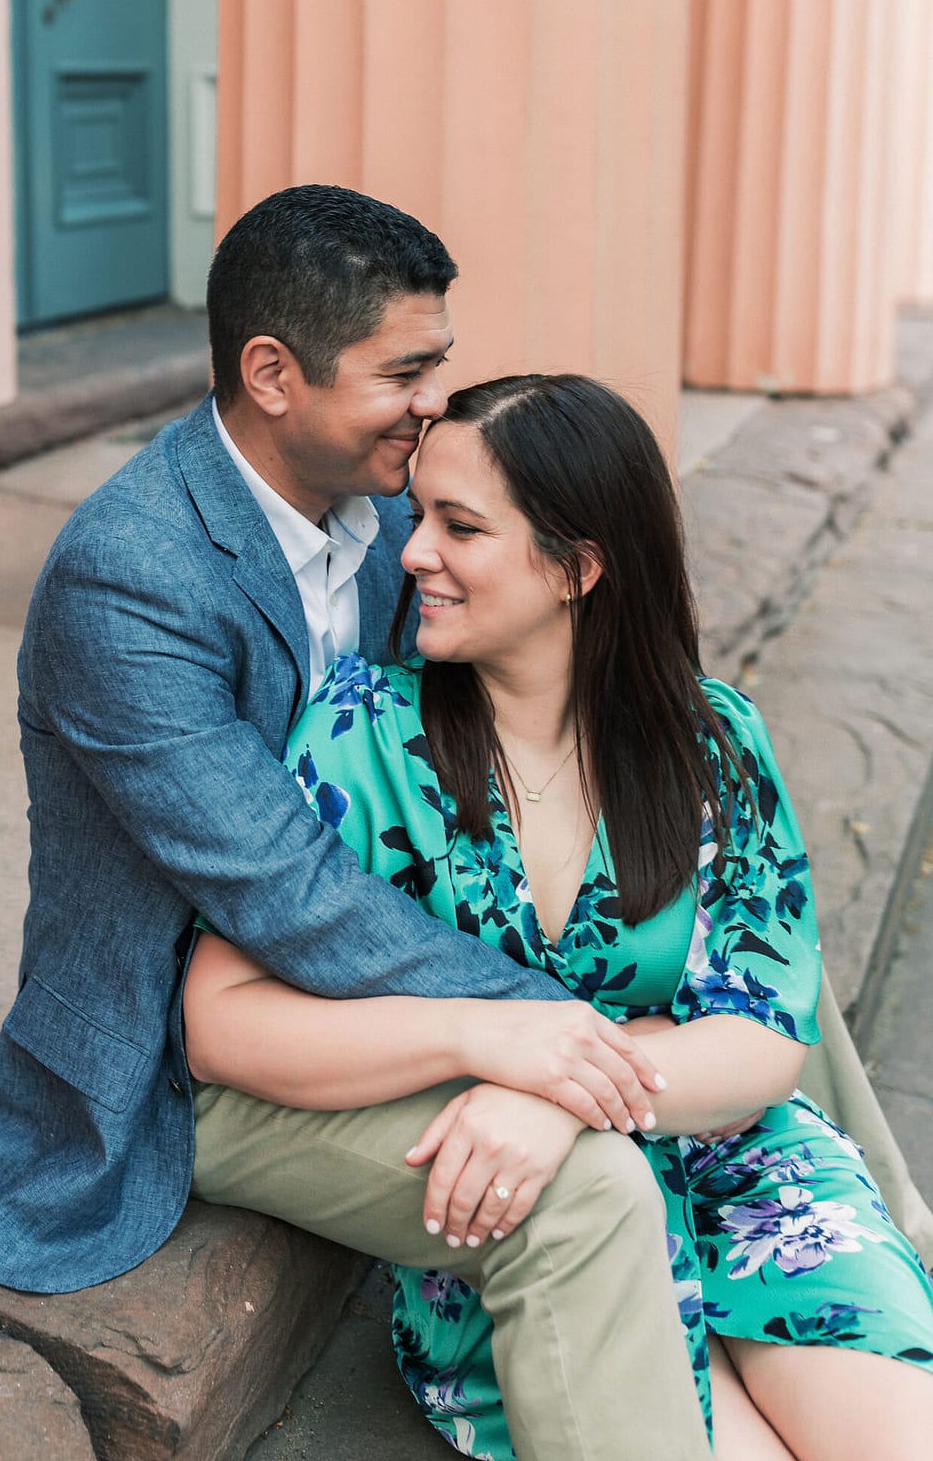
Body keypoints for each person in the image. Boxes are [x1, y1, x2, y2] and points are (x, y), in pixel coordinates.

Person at [0, 187, 715, 1461]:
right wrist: (566, 1027)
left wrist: (663, 957)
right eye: (403, 372)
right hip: (204, 1039)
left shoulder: (401, 510)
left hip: (396, 969)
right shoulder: (131, 577)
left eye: (438, 365)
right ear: (271, 374)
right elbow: (292, 896)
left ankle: (866, 1283)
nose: (433, 406)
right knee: (581, 1185)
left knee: (744, 939)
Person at [183, 373, 933, 1460]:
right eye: (417, 515)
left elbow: (764, 1037)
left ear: (575, 567)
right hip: (531, 1206)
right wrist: (491, 1052)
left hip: (741, 1173)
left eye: (459, 526)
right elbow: (221, 1020)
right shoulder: (359, 739)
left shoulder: (708, 743)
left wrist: (568, 1098)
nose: (410, 553)